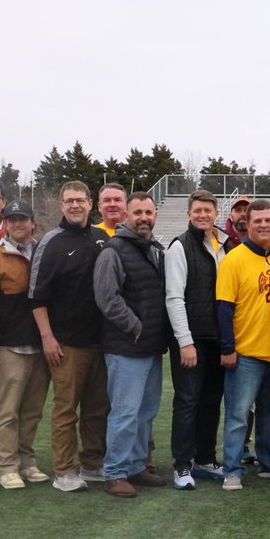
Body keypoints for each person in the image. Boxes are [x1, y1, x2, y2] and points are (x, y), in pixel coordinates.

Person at [27, 181, 108, 493]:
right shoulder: (52, 242)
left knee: (96, 408)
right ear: (61, 206)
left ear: (90, 204)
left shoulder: (102, 238)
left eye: (80, 200)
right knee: (65, 409)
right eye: (69, 201)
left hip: (100, 342)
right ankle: (64, 470)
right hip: (66, 343)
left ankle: (92, 463)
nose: (75, 205)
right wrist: (48, 338)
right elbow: (36, 297)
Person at [0, 199, 51, 490]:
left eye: (22, 219)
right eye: (12, 219)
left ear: (32, 223)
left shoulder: (43, 252)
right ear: (6, 223)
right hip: (8, 347)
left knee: (33, 410)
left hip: (40, 347)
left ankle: (27, 462)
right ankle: (7, 466)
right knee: (7, 410)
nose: (17, 224)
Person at [92, 191, 168, 498]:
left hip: (152, 347)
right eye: (137, 213)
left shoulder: (155, 249)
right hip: (126, 347)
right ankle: (115, 471)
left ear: (155, 216)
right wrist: (136, 327)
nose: (143, 218)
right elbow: (107, 298)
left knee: (145, 412)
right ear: (126, 216)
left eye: (148, 213)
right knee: (125, 412)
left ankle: (136, 465)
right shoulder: (114, 251)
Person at [217, 200, 270, 490]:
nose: (263, 225)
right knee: (238, 414)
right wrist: (228, 348)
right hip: (245, 352)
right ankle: (232, 468)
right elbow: (223, 307)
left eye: (267, 220)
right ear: (247, 223)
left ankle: (268, 461)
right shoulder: (234, 259)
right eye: (257, 220)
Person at [165, 189, 231, 490]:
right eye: (197, 211)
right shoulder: (180, 246)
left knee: (210, 402)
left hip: (218, 339)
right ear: (188, 214)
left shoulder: (225, 245)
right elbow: (174, 297)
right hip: (192, 339)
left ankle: (205, 458)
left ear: (216, 213)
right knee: (187, 401)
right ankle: (182, 464)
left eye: (208, 210)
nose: (203, 215)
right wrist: (185, 341)